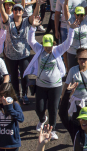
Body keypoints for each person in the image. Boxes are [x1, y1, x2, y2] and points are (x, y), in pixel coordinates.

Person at [26, 8, 75, 139]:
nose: (47, 48)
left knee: (54, 109)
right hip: (41, 85)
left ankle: (52, 129)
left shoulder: (57, 50)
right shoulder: (39, 49)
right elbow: (30, 40)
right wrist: (33, 27)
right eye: (45, 46)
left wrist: (72, 30)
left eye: (49, 46)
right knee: (39, 107)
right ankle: (42, 119)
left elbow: (68, 43)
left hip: (55, 86)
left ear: (52, 43)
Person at [0, 0, 35, 105]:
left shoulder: (26, 21)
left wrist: (38, 5)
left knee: (25, 76)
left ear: (23, 12)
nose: (17, 11)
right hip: (10, 55)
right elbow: (3, 15)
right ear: (13, 12)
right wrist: (0, 4)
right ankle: (16, 95)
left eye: (19, 10)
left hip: (24, 54)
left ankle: (24, 95)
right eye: (15, 9)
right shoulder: (8, 21)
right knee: (13, 77)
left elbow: (34, 16)